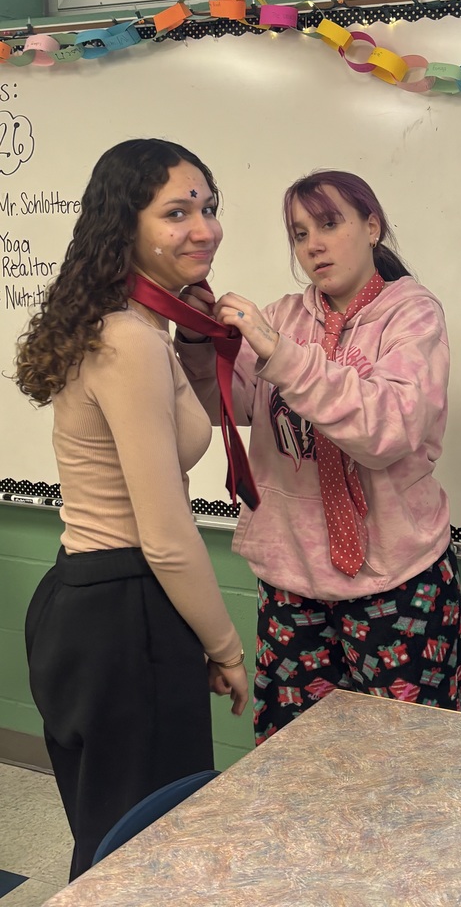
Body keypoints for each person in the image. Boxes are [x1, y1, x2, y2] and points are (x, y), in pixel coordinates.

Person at [15, 139, 249, 879]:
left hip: (94, 601)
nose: (203, 227)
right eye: (176, 212)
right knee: (140, 856)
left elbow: (178, 440)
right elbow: (168, 534)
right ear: (127, 226)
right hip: (126, 613)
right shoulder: (127, 340)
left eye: (208, 207)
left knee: (115, 838)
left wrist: (191, 342)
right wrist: (225, 647)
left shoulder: (130, 326)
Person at [175, 170, 461, 744]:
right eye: (299, 232)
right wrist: (194, 340)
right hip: (293, 578)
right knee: (294, 757)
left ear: (372, 226)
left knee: (408, 760)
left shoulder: (413, 315)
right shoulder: (284, 315)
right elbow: (229, 404)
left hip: (396, 581)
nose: (313, 245)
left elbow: (387, 429)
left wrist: (280, 354)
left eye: (330, 224)